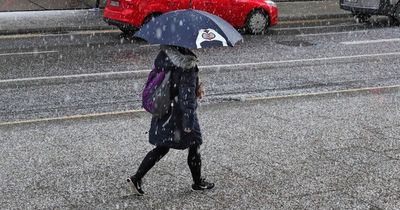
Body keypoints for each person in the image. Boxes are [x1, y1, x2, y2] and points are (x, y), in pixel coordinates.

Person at [127, 45, 214, 195]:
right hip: (179, 114)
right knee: (195, 144)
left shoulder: (164, 56)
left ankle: (136, 178)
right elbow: (186, 98)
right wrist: (188, 122)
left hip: (165, 108)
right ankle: (198, 182)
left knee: (162, 147)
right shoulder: (187, 63)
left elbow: (170, 82)